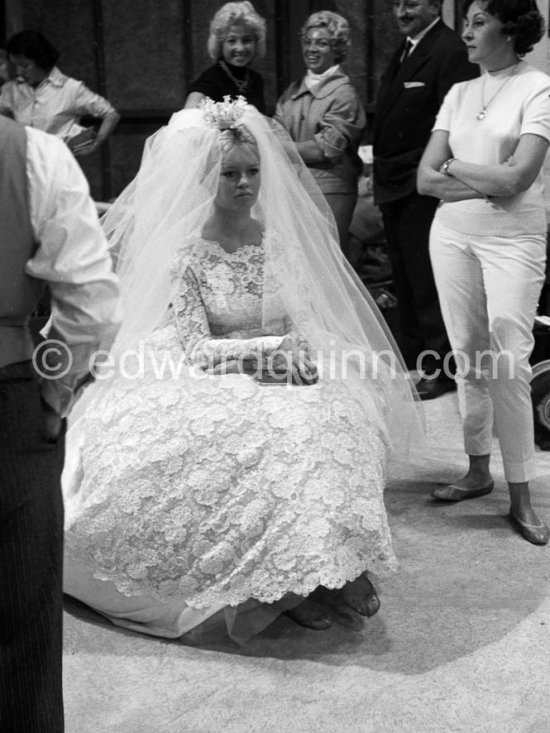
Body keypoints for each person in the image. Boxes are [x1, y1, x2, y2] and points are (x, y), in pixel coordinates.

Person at [61, 97, 422, 643]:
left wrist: (295, 352)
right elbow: (198, 348)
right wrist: (267, 349)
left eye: (253, 171)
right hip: (206, 365)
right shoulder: (188, 252)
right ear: (207, 177)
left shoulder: (277, 240)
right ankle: (274, 588)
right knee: (255, 437)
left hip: (279, 359)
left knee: (333, 417)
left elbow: (305, 315)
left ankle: (328, 564)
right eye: (230, 173)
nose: (245, 183)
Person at [0, 116, 120, 731]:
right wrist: (52, 393)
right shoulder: (31, 154)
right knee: (21, 620)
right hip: (8, 400)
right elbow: (92, 306)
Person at [417, 0, 550, 545]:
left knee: (509, 360)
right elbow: (426, 180)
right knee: (467, 352)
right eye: (466, 21)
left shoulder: (537, 87)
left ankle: (521, 492)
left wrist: (457, 167)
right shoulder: (458, 93)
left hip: (514, 239)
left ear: (511, 30)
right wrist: (483, 179)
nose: (465, 32)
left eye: (477, 22)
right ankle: (477, 470)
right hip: (450, 233)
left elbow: (521, 176)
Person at [373, 0, 478, 399]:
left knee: (428, 280)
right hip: (393, 183)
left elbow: (455, 127)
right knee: (405, 278)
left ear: (434, 4)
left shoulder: (449, 51)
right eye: (397, 3)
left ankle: (441, 367)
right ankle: (418, 363)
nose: (401, 11)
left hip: (423, 184)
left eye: (412, 3)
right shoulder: (407, 49)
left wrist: (433, 173)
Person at [275, 11, 365, 258]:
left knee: (326, 262)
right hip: (295, 188)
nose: (312, 49)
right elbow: (276, 128)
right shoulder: (292, 92)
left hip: (330, 191)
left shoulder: (344, 95)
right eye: (309, 42)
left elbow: (323, 149)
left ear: (337, 49)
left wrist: (278, 146)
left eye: (322, 43)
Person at [0, 30, 120, 157]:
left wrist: (95, 144)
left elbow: (111, 114)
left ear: (40, 60)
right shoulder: (11, 89)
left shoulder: (70, 89)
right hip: (23, 165)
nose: (19, 72)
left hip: (57, 165)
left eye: (25, 66)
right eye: (16, 65)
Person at [184, 2, 266, 113]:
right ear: (220, 44)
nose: (240, 48)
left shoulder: (255, 80)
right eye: (232, 41)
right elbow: (187, 116)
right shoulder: (211, 79)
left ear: (256, 42)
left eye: (247, 40)